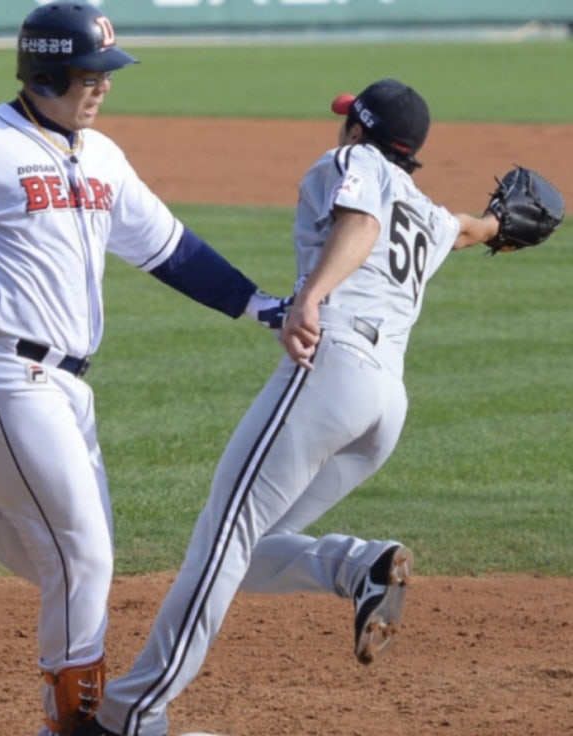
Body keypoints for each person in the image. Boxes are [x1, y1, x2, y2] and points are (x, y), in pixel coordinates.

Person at [0, 4, 287, 735]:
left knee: (63, 558)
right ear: (49, 70)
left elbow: (171, 249)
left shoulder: (101, 156)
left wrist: (258, 305)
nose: (104, 89)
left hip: (66, 387)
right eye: (91, 75)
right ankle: (72, 722)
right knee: (81, 555)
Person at [55, 78, 507, 736]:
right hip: (384, 403)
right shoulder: (425, 208)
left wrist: (310, 296)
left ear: (362, 130)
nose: (341, 128)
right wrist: (500, 225)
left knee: (221, 542)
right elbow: (463, 230)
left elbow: (360, 222)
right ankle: (361, 566)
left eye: (349, 119)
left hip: (331, 368)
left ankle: (130, 711)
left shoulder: (353, 163)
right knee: (245, 547)